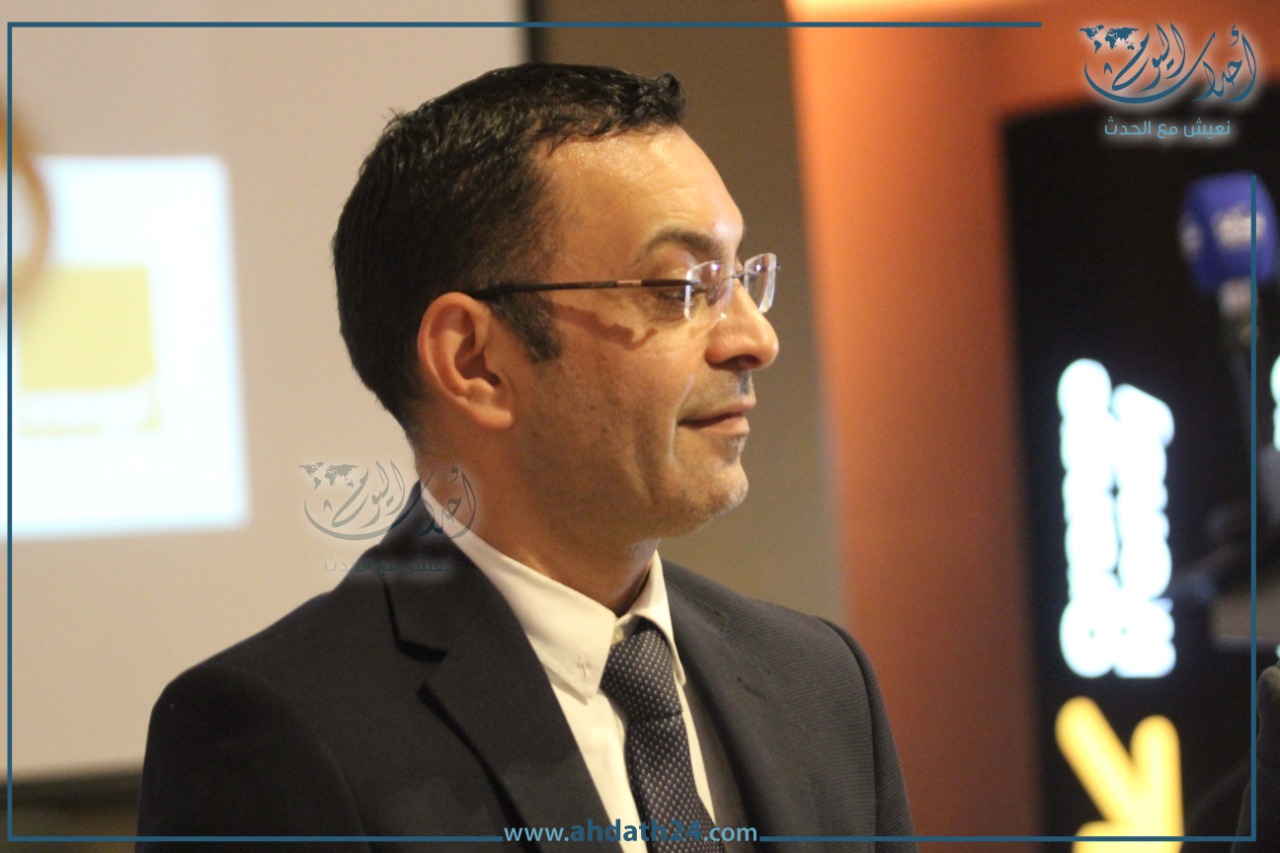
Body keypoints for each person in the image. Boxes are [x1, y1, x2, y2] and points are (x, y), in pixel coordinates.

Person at [136, 63, 915, 851]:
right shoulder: (278, 738)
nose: (756, 337)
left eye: (742, 276)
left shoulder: (820, 681)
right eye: (681, 287)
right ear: (474, 360)